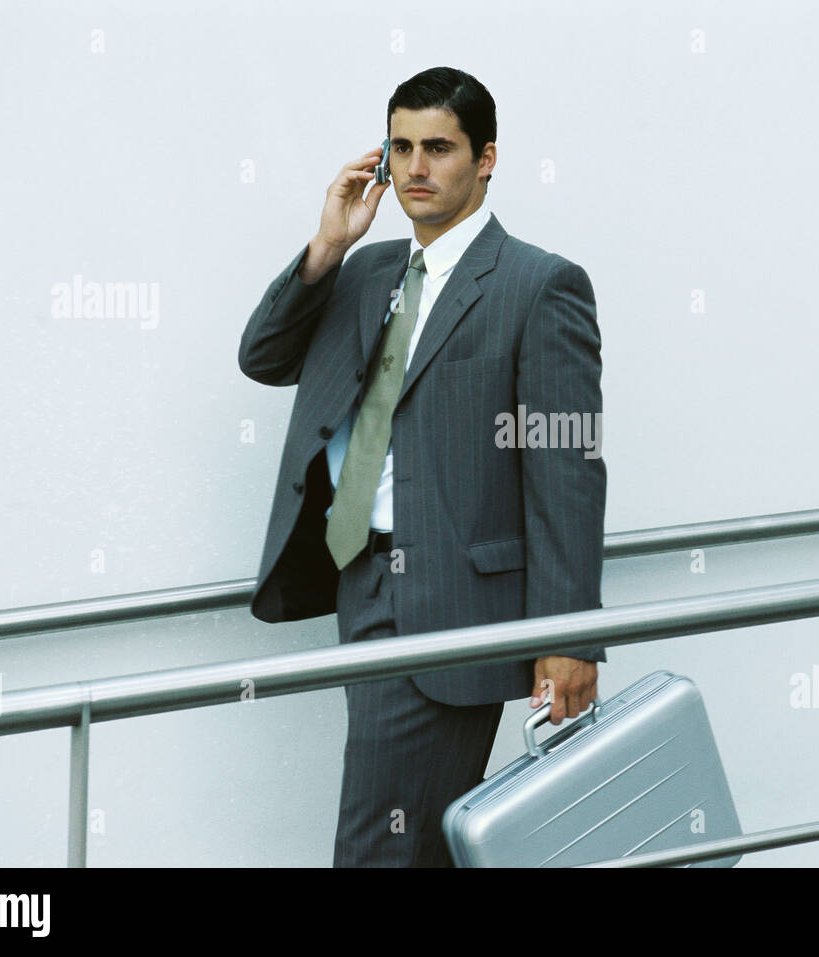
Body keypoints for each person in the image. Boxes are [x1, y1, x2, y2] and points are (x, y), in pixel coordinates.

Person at [237, 66, 607, 866]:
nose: (415, 168)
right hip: (358, 577)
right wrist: (330, 241)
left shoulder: (539, 285)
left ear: (487, 158)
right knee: (417, 841)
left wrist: (571, 636)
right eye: (400, 147)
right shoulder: (367, 272)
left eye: (438, 147)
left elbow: (566, 467)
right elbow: (263, 358)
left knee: (377, 845)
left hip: (451, 605)